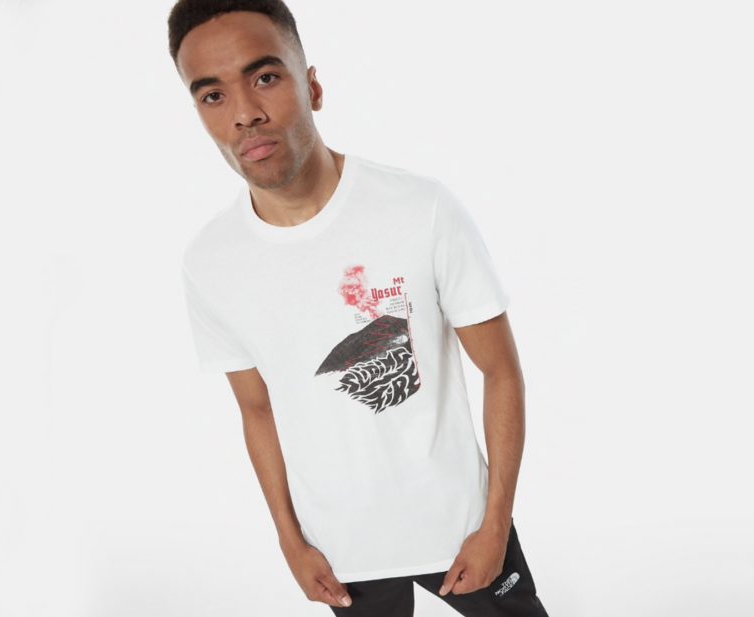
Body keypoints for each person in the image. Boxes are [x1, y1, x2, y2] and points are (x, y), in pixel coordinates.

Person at [168, 1, 550, 615]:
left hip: (462, 526)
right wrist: (290, 541)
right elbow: (257, 409)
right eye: (213, 96)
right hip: (340, 552)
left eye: (265, 77)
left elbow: (501, 371)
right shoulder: (210, 262)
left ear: (312, 86)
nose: (244, 113)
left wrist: (495, 524)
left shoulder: (421, 209)